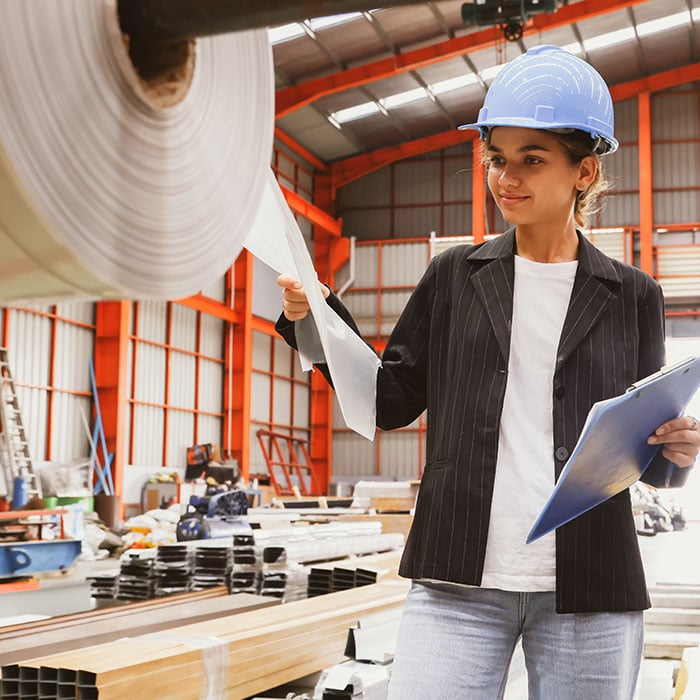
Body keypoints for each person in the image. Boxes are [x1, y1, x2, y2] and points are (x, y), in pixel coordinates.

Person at [276, 45, 700, 699]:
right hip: (459, 578)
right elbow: (389, 400)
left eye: (532, 159)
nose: (506, 177)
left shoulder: (635, 295)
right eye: (497, 158)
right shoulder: (455, 277)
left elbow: (640, 444)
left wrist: (676, 450)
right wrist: (317, 320)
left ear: (584, 171)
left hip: (591, 582)